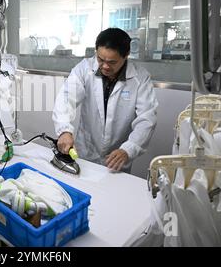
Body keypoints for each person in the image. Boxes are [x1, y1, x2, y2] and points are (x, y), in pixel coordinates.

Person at [52, 28, 158, 173]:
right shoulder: (84, 68)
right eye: (100, 59)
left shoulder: (140, 78)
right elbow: (65, 98)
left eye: (112, 62)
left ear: (126, 55)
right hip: (86, 151)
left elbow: (147, 119)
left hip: (117, 157)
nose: (105, 66)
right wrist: (64, 130)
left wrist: (129, 149)